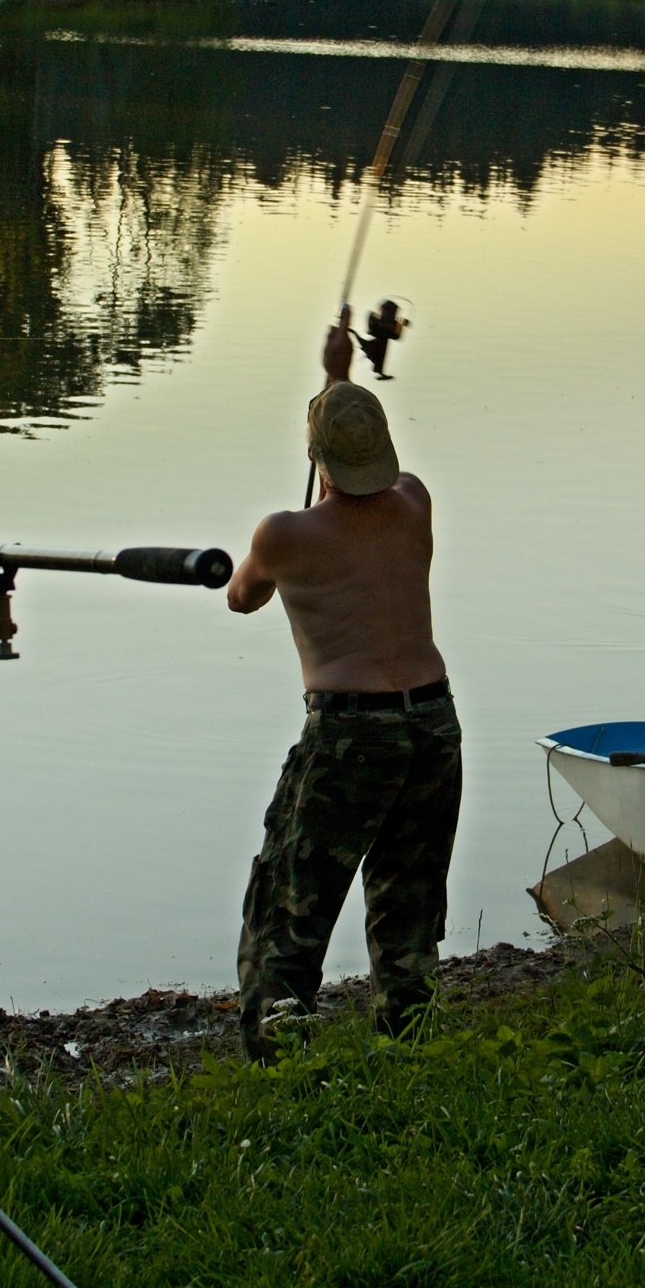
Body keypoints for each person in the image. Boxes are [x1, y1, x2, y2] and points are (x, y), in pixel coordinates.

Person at [225, 322, 458, 1060]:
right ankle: (408, 1043)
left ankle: (278, 1056)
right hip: (432, 720)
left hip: (351, 732)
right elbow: (352, 473)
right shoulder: (415, 503)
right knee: (408, 899)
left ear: (314, 457)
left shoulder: (282, 535)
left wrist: (326, 396)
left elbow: (241, 598)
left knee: (291, 901)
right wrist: (337, 380)